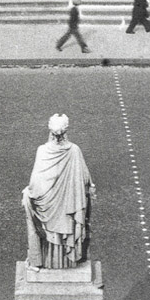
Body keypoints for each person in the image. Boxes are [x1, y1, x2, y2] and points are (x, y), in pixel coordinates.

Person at [22, 113, 96, 269]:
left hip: (48, 208)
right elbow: (85, 179)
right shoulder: (74, 150)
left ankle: (39, 260)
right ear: (65, 131)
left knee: (27, 198)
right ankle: (70, 258)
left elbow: (35, 184)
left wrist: (28, 192)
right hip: (68, 211)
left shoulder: (42, 150)